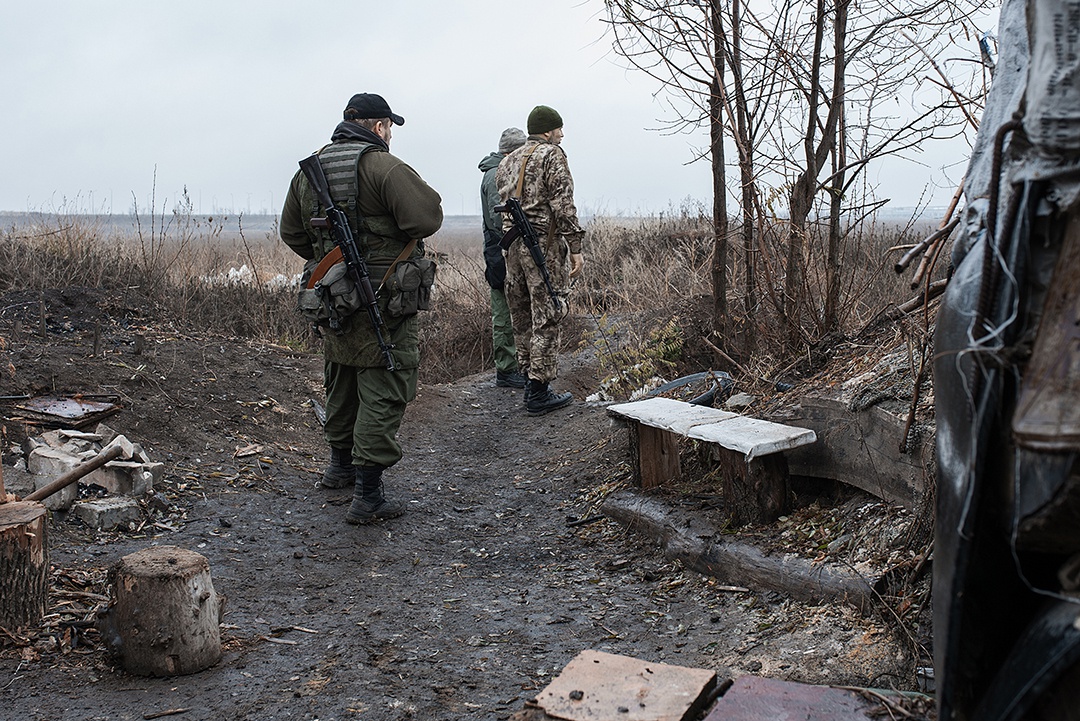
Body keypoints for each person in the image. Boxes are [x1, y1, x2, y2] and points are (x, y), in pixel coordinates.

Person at [280, 92, 443, 524]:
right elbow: (426, 219)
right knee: (385, 379)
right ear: (376, 126)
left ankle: (340, 467)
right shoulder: (382, 166)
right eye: (389, 126)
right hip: (383, 296)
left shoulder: (310, 171)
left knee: (342, 373)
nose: (390, 135)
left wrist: (330, 261)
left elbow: (291, 233)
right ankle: (368, 494)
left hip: (334, 294)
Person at [495, 105, 585, 415]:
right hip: (541, 248)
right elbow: (563, 204)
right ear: (547, 131)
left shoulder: (507, 161)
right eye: (559, 128)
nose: (562, 134)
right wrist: (575, 246)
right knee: (548, 312)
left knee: (519, 313)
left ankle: (526, 377)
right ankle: (538, 390)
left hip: (511, 248)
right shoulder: (552, 154)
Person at [478, 128, 528, 390]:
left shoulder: (501, 171)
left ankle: (513, 366)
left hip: (504, 249)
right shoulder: (495, 175)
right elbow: (499, 219)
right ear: (511, 152)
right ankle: (506, 370)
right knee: (502, 310)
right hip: (500, 250)